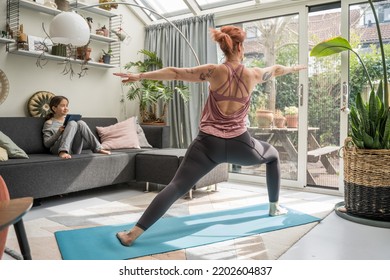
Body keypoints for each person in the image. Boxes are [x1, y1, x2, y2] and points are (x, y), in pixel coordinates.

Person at [113, 25, 306, 246]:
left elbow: (176, 72)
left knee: (177, 186)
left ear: (224, 47)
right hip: (240, 146)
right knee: (272, 155)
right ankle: (274, 207)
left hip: (206, 146)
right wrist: (293, 68)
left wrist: (139, 75)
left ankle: (132, 235)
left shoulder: (213, 71)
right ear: (241, 47)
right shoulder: (253, 74)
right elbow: (277, 69)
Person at [42, 95, 111, 159]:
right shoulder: (49, 123)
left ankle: (98, 148)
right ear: (54, 108)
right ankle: (63, 151)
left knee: (81, 123)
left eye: (67, 106)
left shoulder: (68, 120)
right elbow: (47, 144)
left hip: (74, 149)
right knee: (72, 123)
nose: (66, 108)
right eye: (63, 106)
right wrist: (59, 133)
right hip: (56, 150)